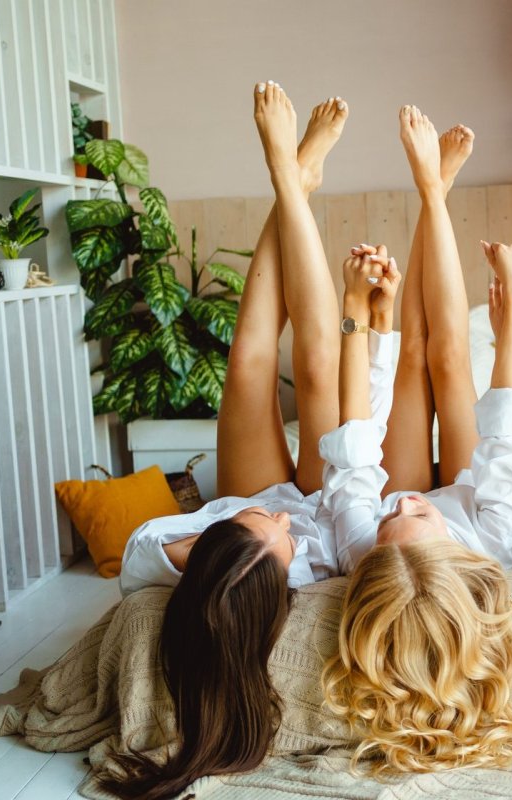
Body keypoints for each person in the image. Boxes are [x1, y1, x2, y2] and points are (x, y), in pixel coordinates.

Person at [105, 83, 387, 800]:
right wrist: (291, 525)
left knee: (250, 361)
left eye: (266, 527)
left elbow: (172, 557)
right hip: (329, 495)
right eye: (281, 540)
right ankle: (291, 178)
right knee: (318, 362)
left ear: (213, 542)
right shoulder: (300, 568)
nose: (280, 522)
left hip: (239, 495)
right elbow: (340, 498)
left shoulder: (162, 550)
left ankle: (291, 179)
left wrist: (240, 520)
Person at [318, 106, 512, 773]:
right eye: (419, 518)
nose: (406, 502)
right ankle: (435, 191)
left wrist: (359, 315)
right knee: (451, 359)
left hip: (416, 496)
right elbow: (504, 426)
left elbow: (355, 438)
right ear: (458, 556)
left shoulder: (361, 546)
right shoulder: (497, 540)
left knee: (411, 356)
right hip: (472, 484)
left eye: (391, 520)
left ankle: (430, 188)